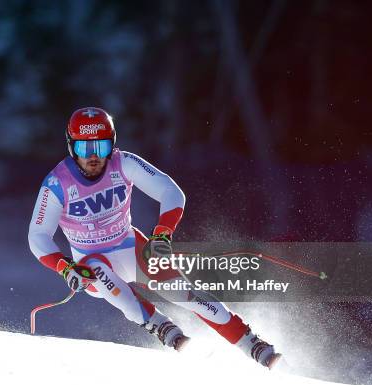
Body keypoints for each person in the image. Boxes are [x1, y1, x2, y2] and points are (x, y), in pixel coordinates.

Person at [28, 107, 281, 368]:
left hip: (130, 248)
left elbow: (171, 192)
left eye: (101, 148)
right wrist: (64, 266)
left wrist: (162, 233)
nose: (93, 157)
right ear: (71, 148)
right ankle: (159, 325)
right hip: (91, 266)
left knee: (183, 293)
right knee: (97, 269)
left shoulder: (124, 162)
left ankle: (251, 343)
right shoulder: (57, 183)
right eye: (84, 149)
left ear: (112, 145)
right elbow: (37, 236)